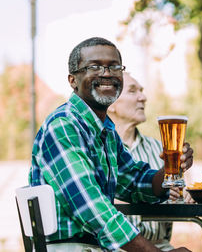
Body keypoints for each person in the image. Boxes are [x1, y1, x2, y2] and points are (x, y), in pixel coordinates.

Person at [29, 37, 192, 252]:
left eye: (114, 66)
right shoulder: (63, 126)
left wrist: (172, 168)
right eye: (94, 66)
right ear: (73, 80)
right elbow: (93, 210)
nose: (107, 73)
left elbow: (135, 183)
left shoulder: (105, 130)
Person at [108, 72, 176, 250]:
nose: (143, 97)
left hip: (160, 245)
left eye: (142, 91)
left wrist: (176, 195)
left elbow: (175, 196)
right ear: (111, 103)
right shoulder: (100, 149)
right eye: (132, 91)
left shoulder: (160, 148)